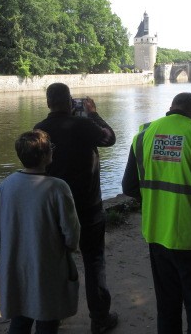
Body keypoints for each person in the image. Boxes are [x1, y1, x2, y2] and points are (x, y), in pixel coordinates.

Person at [122, 92, 191, 334]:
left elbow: (129, 187)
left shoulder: (144, 134)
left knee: (167, 305)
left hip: (157, 234)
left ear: (171, 108)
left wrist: (156, 199)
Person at [33, 83, 118, 334]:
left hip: (54, 209)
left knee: (54, 262)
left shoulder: (40, 129)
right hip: (88, 205)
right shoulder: (83, 125)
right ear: (71, 102)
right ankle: (99, 318)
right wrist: (93, 113)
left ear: (48, 102)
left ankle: (51, 317)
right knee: (94, 262)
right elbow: (110, 138)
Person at [0, 130, 81, 334]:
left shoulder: (6, 185)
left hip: (15, 261)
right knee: (48, 318)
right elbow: (71, 231)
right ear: (45, 155)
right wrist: (69, 248)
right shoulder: (58, 187)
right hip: (47, 263)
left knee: (20, 316)